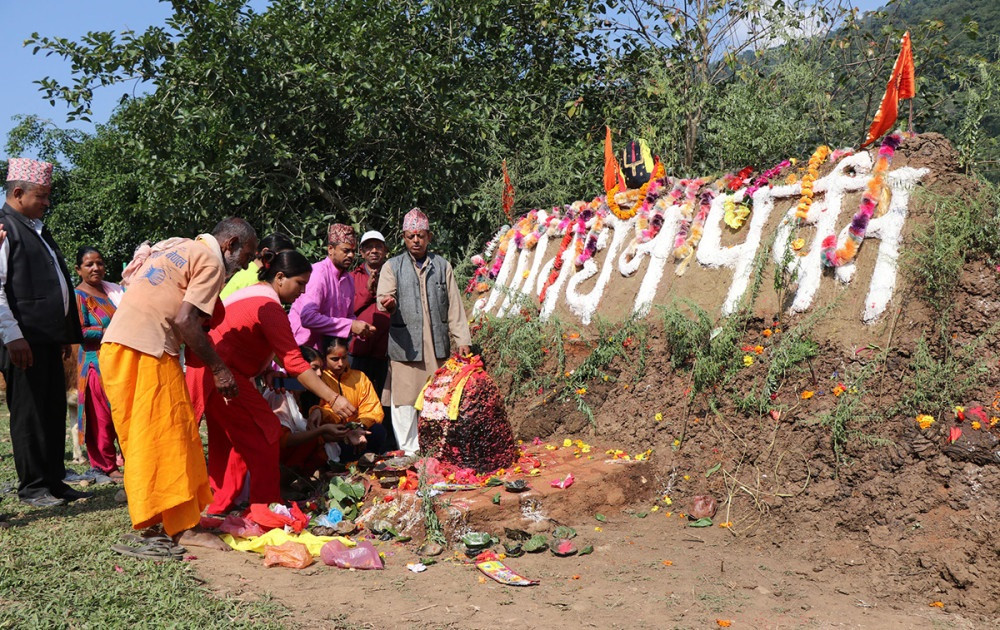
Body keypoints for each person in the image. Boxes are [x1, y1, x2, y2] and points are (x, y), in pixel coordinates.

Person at [100, 218, 257, 554]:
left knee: (144, 439)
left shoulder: (178, 245)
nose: (244, 265)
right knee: (172, 436)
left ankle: (159, 518)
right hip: (149, 348)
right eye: (246, 255)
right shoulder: (211, 260)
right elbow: (186, 320)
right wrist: (220, 369)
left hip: (116, 345)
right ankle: (184, 526)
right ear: (230, 244)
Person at [185, 250, 365, 515]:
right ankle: (264, 508)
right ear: (280, 277)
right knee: (266, 432)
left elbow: (244, 339)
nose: (302, 292)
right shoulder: (270, 306)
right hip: (223, 375)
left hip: (210, 372)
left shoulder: (253, 292)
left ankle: (220, 505)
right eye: (300, 283)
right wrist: (334, 398)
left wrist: (265, 369)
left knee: (230, 442)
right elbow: (294, 362)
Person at [0, 158, 85, 508]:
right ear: (18, 193)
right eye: (42, 196)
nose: (47, 203)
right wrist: (12, 335)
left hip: (47, 338)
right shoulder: (5, 228)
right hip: (23, 338)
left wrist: (62, 331)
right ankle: (33, 486)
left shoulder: (36, 228)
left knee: (51, 409)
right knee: (30, 411)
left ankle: (54, 480)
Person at [377, 208, 471, 454]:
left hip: (437, 345)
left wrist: (463, 340)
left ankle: (436, 450)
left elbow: (455, 305)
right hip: (405, 345)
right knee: (404, 402)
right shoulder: (392, 266)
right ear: (404, 237)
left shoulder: (442, 266)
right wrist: (388, 303)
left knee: (437, 399)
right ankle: (409, 451)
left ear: (429, 237)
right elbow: (384, 296)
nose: (415, 241)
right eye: (410, 236)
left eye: (420, 236)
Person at [71, 246, 125, 484]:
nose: (96, 268)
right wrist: (108, 330)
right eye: (89, 264)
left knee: (121, 412)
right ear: (78, 269)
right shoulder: (79, 296)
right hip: (95, 363)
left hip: (119, 361)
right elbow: (79, 331)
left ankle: (126, 457)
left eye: (99, 263)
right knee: (101, 416)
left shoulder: (112, 292)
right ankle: (106, 464)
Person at [289, 223, 374, 351]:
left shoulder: (348, 279)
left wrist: (361, 328)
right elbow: (308, 318)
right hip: (304, 350)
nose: (351, 255)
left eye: (353, 251)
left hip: (329, 354)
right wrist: (350, 326)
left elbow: (349, 315)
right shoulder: (318, 274)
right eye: (346, 250)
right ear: (330, 249)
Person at [349, 230, 393, 448]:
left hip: (386, 350)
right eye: (369, 247)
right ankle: (360, 443)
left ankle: (387, 444)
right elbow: (349, 309)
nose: (374, 251)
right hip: (360, 349)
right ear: (362, 252)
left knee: (386, 400)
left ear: (385, 250)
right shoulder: (354, 277)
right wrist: (367, 291)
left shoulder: (394, 272)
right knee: (359, 398)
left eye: (378, 246)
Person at [309, 336, 386, 456]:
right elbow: (324, 409)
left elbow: (372, 408)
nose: (341, 364)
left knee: (378, 430)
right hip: (334, 434)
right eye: (334, 359)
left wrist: (360, 426)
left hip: (359, 430)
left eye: (344, 358)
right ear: (324, 358)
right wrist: (321, 413)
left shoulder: (359, 377)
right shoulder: (320, 379)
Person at [219, 232, 295, 299]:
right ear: (265, 252)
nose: (285, 263)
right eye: (282, 258)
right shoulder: (257, 281)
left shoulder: (246, 272)